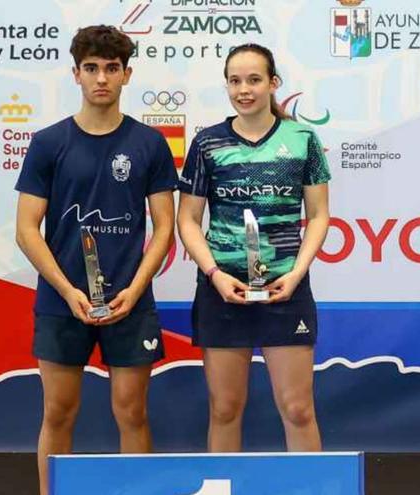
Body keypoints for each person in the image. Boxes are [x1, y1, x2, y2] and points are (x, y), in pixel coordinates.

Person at [14, 25, 177, 494]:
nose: (101, 78)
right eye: (91, 69)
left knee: (132, 411)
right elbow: (27, 229)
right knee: (58, 412)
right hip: (61, 302)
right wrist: (68, 291)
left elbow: (164, 225)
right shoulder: (49, 143)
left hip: (130, 300)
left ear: (127, 75)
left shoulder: (149, 143)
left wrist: (136, 286)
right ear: (76, 74)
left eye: (111, 68)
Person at [177, 43, 331, 452]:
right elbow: (187, 220)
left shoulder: (303, 140)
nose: (244, 89)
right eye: (234, 80)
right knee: (225, 409)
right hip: (222, 290)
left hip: (287, 290)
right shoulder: (207, 143)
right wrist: (215, 274)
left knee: (298, 408)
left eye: (254, 80)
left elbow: (318, 215)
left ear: (273, 83)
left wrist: (296, 274)